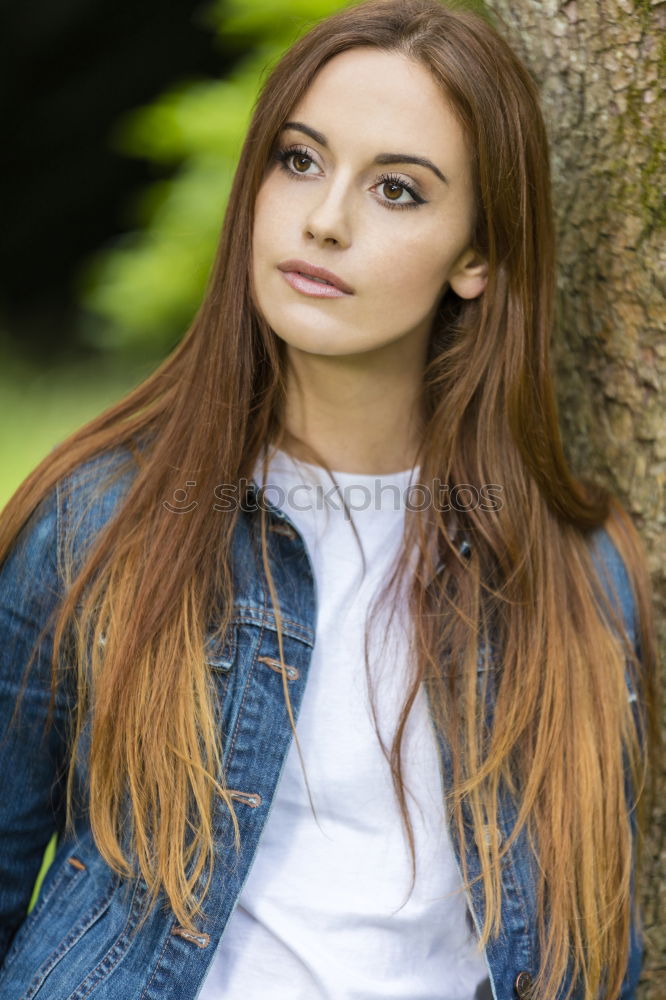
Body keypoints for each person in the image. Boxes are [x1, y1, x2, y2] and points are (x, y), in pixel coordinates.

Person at [0, 0, 658, 998]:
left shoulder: (575, 567)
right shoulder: (99, 520)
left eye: (398, 189)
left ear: (477, 257)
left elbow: (594, 948)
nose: (324, 219)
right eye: (299, 161)